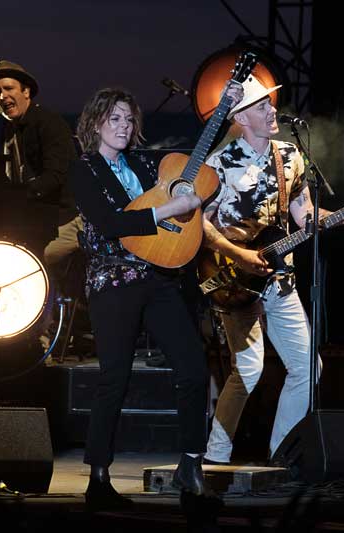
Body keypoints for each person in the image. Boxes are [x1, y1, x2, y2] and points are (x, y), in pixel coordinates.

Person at [68, 85, 242, 510]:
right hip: (113, 282)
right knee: (115, 379)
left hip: (160, 275)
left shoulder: (146, 164)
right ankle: (99, 477)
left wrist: (224, 110)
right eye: (115, 119)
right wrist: (171, 209)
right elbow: (110, 223)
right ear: (95, 124)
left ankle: (190, 466)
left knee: (194, 369)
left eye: (129, 120)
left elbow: (192, 174)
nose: (124, 127)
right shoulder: (84, 169)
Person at [200, 75, 344, 465]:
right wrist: (238, 255)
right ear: (242, 117)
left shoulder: (290, 156)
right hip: (234, 280)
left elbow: (306, 216)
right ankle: (216, 455)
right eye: (262, 106)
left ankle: (281, 455)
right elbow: (200, 224)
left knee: (308, 367)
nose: (272, 110)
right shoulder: (218, 163)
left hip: (282, 280)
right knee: (248, 369)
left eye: (270, 104)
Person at [0, 60, 79, 350]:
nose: (2, 95)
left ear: (26, 92)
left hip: (68, 218)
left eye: (8, 88)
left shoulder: (49, 123)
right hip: (35, 218)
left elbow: (57, 176)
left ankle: (42, 338)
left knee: (30, 264)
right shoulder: (8, 132)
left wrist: (14, 199)